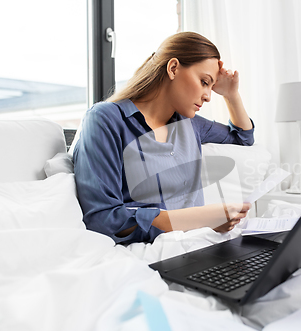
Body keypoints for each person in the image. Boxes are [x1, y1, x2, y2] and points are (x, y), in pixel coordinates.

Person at [73, 32, 254, 245]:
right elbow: (103, 219)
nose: (208, 96)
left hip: (200, 245)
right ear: (173, 68)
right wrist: (204, 218)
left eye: (211, 86)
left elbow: (243, 136)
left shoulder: (191, 124)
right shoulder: (106, 119)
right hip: (154, 252)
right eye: (204, 82)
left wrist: (231, 94)